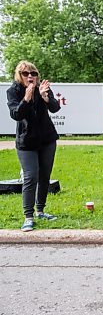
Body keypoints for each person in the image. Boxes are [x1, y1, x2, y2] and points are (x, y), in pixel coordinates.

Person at [6, 61, 60, 232]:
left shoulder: (42, 88)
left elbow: (55, 108)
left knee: (45, 175)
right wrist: (26, 98)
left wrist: (45, 97)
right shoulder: (13, 91)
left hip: (47, 139)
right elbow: (16, 114)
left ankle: (41, 211)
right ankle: (28, 216)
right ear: (19, 76)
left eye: (34, 73)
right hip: (26, 142)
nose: (31, 77)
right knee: (31, 176)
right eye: (26, 74)